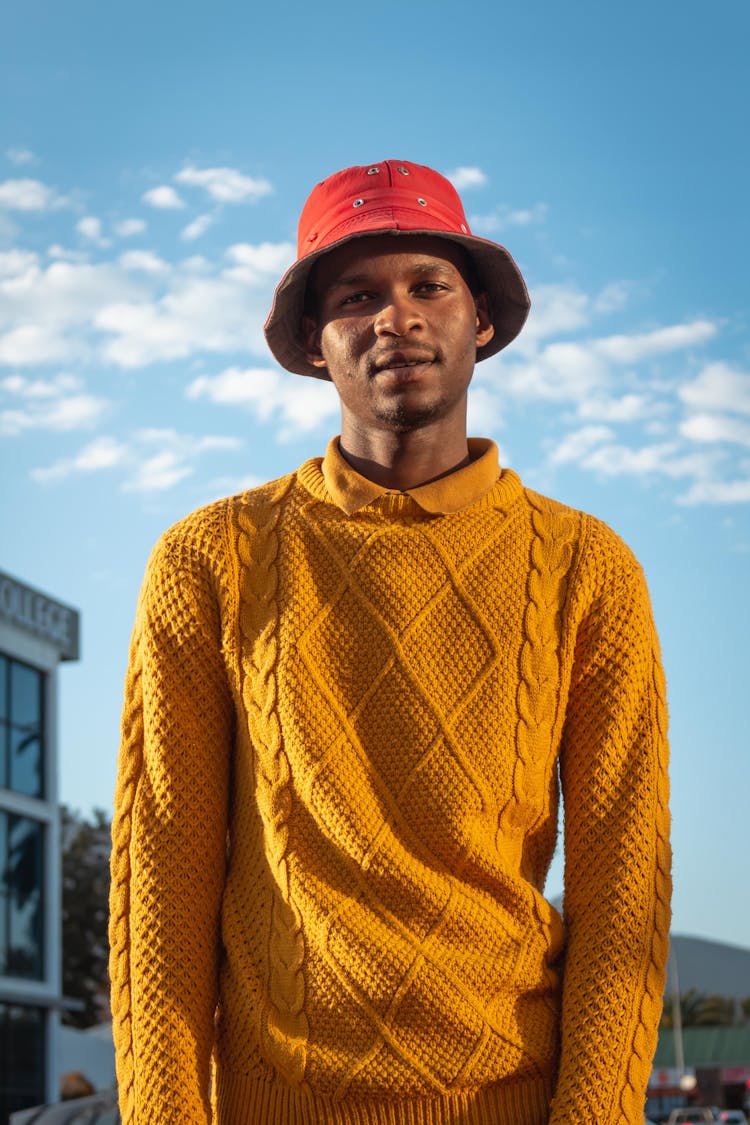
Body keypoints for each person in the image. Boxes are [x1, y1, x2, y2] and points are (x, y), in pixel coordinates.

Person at [109, 160, 672, 1125]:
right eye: (356, 295)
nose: (395, 317)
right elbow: (162, 874)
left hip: (512, 1098)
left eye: (428, 286)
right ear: (316, 343)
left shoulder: (588, 566)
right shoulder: (209, 559)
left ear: (480, 319)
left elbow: (626, 889)